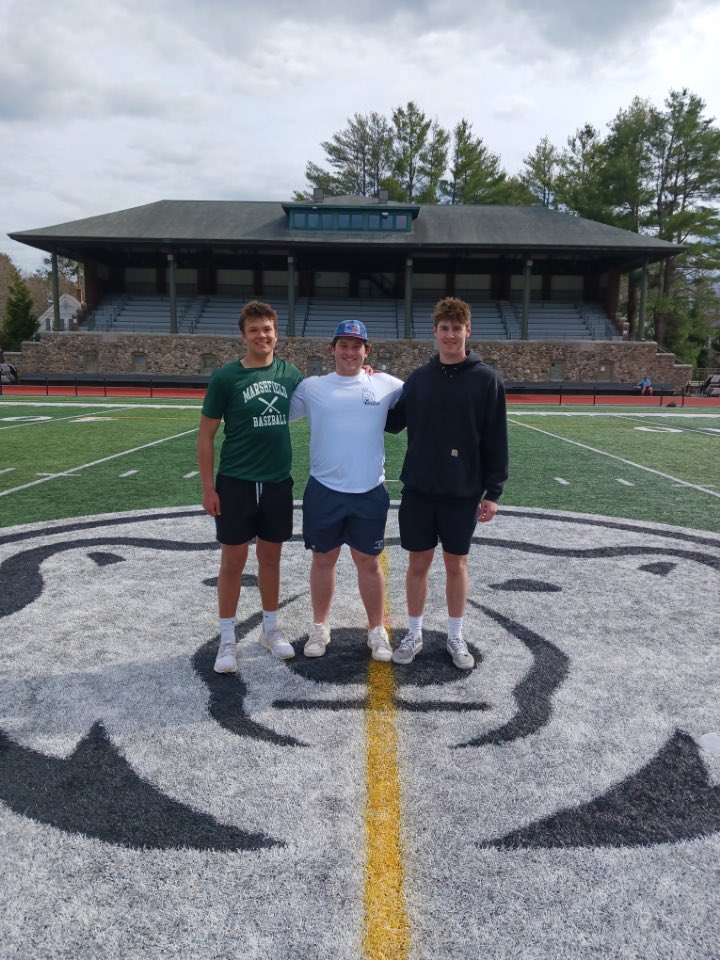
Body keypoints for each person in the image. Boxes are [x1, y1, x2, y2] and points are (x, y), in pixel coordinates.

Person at [385, 297, 509, 670]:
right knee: (417, 563)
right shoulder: (419, 379)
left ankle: (455, 635)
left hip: (463, 491)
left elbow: (495, 438)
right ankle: (414, 632)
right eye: (444, 328)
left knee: (457, 564)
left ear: (467, 331)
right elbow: (393, 422)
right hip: (420, 489)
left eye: (457, 328)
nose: (451, 335)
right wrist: (367, 383)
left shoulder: (487, 380)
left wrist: (494, 491)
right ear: (435, 332)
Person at [197, 300, 303, 673]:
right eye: (255, 330)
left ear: (277, 333)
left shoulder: (291, 374)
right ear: (243, 336)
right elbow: (206, 436)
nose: (262, 335)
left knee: (271, 559)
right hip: (237, 483)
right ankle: (227, 640)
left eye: (268, 328)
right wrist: (209, 488)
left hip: (276, 482)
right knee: (233, 561)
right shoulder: (226, 378)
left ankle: (270, 630)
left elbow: (327, 394)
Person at [289, 320, 403, 662]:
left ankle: (376, 630)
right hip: (324, 488)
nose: (350, 352)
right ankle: (320, 626)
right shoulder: (312, 387)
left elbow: (424, 395)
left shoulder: (385, 384)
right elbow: (278, 414)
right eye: (344, 345)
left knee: (369, 562)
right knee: (323, 559)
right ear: (332, 350)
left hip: (369, 489)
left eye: (357, 346)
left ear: (367, 351)